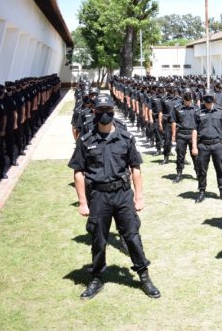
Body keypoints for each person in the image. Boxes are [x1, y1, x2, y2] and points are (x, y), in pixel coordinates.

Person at [68, 94, 160, 300]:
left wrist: (139, 197)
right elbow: (78, 171)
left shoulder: (125, 138)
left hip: (123, 195)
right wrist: (83, 202)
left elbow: (135, 168)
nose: (105, 114)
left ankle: (144, 276)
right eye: (100, 111)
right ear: (94, 112)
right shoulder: (86, 140)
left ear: (113, 111)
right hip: (99, 196)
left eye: (108, 110)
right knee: (98, 239)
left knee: (132, 236)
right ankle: (97, 277)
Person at [191, 91, 222, 203]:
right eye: (206, 98)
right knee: (202, 170)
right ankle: (202, 191)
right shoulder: (198, 112)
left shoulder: (221, 112)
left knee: (220, 169)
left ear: (213, 98)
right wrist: (194, 146)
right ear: (203, 99)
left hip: (217, 144)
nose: (208, 100)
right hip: (203, 145)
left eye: (210, 98)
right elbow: (194, 130)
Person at [172, 88, 198, 184]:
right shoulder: (177, 107)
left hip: (192, 135)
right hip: (181, 135)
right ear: (183, 96)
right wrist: (174, 135)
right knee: (180, 156)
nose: (188, 97)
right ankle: (179, 174)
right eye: (186, 95)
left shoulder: (196, 108)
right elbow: (174, 122)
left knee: (195, 156)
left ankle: (198, 173)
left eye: (189, 95)